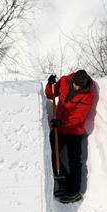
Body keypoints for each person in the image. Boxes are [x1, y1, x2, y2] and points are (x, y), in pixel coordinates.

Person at [45, 69, 95, 203]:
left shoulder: (88, 94)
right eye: (75, 85)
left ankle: (74, 192)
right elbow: (51, 94)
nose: (76, 87)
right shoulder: (66, 81)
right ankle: (62, 182)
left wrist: (62, 122)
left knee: (74, 161)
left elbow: (79, 116)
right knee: (52, 154)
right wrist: (50, 84)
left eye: (80, 86)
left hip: (74, 131)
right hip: (58, 129)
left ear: (84, 85)